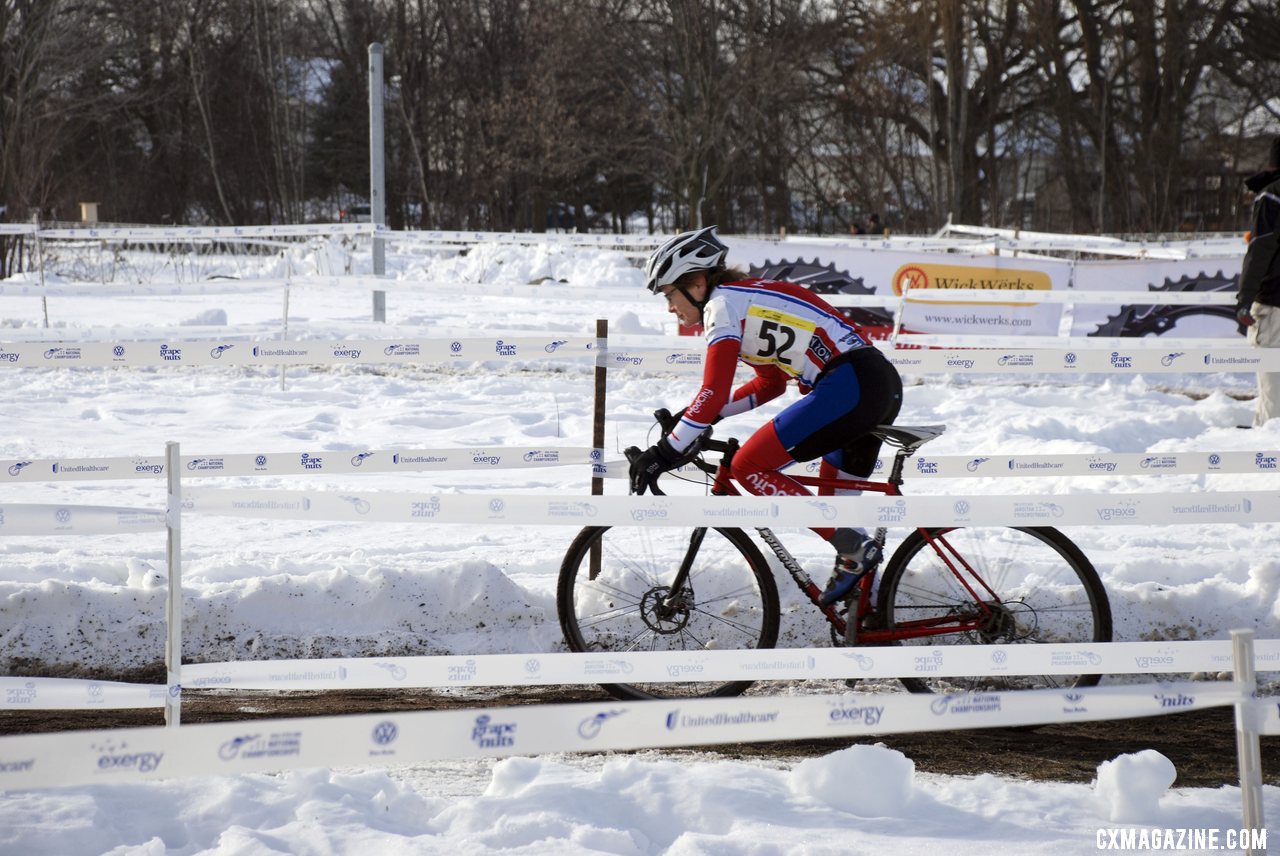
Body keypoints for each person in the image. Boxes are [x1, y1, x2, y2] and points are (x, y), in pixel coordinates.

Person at [630, 226, 904, 605]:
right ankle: (868, 612)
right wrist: (689, 421)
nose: (670, 308)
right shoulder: (745, 300)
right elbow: (769, 384)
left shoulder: (721, 306)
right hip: (873, 382)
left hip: (848, 386)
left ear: (695, 282)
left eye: (669, 295)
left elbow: (713, 392)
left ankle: (856, 551)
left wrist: (665, 451)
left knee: (748, 466)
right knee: (836, 507)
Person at [1237, 136, 1280, 427]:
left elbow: (1261, 249)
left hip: (1275, 303)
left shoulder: (1272, 196)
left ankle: (1266, 456)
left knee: (1273, 388)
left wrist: (1244, 300)